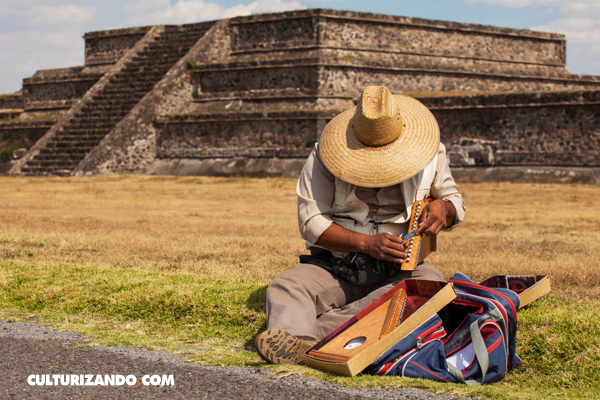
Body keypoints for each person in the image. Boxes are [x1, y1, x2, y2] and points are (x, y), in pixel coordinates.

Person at [255, 86, 466, 364]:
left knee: (429, 285)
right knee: (288, 285)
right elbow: (311, 222)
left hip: (400, 271)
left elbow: (454, 202)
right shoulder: (324, 155)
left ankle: (304, 336)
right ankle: (326, 337)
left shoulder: (431, 153)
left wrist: (444, 208)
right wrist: (366, 244)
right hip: (337, 267)